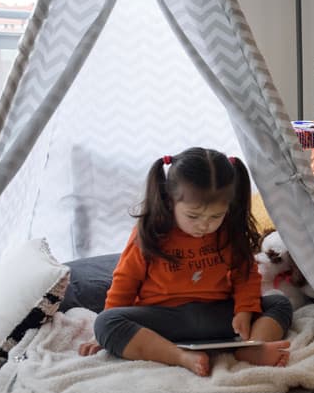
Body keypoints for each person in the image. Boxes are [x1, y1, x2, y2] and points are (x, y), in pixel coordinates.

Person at [78, 147, 293, 376]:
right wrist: (102, 331)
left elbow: (245, 275)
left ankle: (251, 349)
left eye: (215, 216)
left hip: (216, 317)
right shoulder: (151, 232)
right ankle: (180, 357)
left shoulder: (229, 231)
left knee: (280, 303)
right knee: (105, 322)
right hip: (162, 321)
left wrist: (245, 311)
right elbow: (125, 281)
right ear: (170, 202)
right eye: (193, 216)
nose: (204, 225)